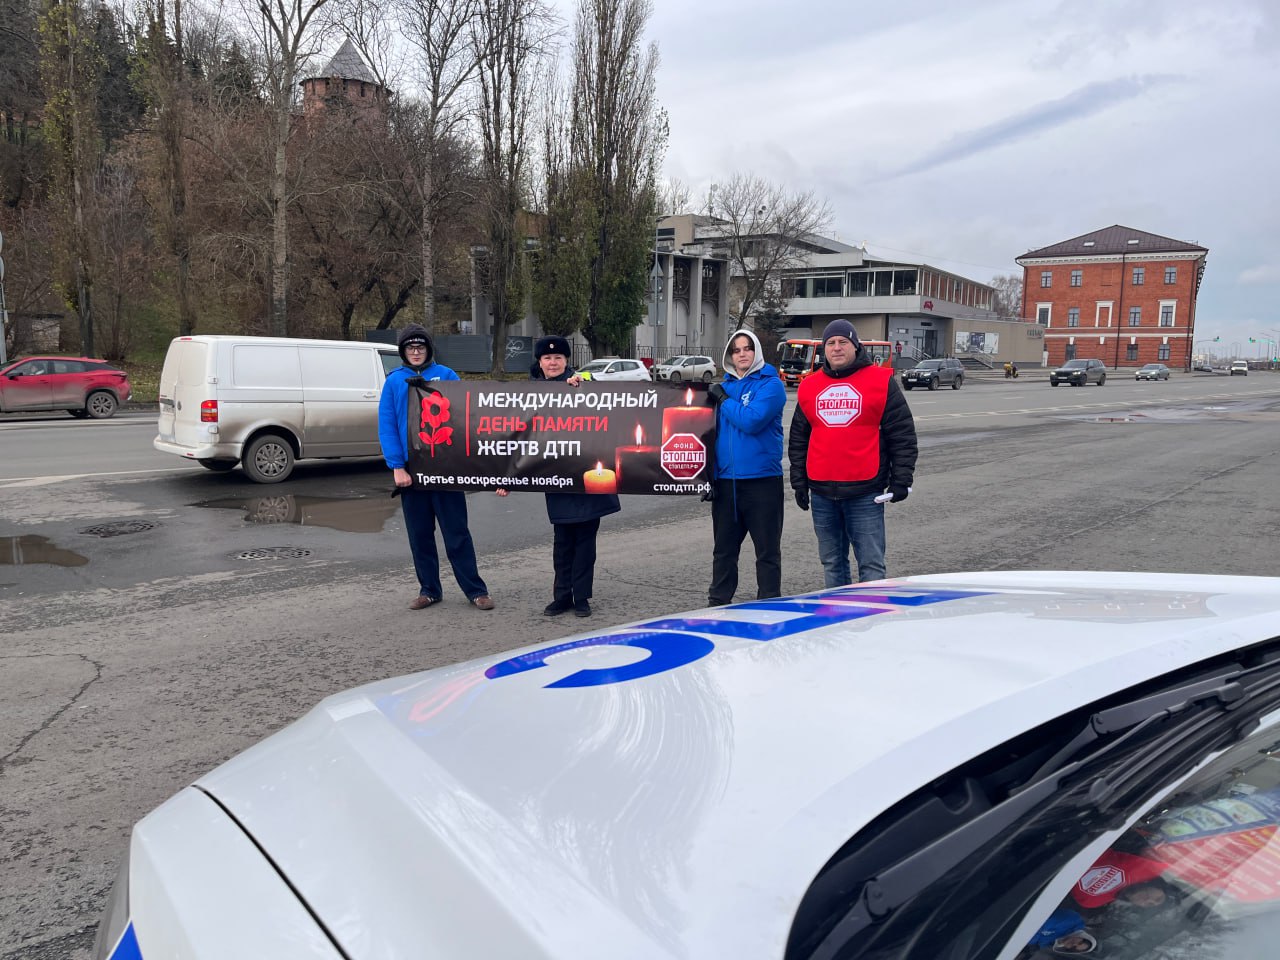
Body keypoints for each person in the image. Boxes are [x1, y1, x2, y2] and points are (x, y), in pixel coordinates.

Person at [788, 319, 918, 586]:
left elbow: (902, 434)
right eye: (831, 343)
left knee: (870, 564)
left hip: (865, 493)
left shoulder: (880, 381)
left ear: (855, 346)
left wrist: (901, 480)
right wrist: (799, 482)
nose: (836, 348)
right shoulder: (809, 386)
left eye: (843, 342)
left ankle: (872, 619)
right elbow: (799, 439)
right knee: (832, 563)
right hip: (822, 493)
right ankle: (839, 619)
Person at [499, 336, 619, 618]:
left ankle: (582, 597)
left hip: (587, 476)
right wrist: (506, 477)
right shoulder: (526, 393)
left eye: (559, 358)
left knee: (586, 543)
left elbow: (610, 402)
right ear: (539, 363)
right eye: (547, 358)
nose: (553, 363)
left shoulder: (581, 384)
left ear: (566, 361)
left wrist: (583, 384)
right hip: (555, 478)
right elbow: (517, 436)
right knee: (562, 541)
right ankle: (562, 595)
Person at [378, 323, 494, 611]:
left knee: (457, 533)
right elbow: (387, 425)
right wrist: (396, 466)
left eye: (420, 347)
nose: (415, 352)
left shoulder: (447, 375)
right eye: (410, 348)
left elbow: (464, 415)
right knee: (420, 536)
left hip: (445, 469)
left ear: (429, 349)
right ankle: (429, 590)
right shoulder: (394, 381)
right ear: (403, 352)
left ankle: (475, 590)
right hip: (411, 471)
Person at [705, 329, 786, 606]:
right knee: (724, 551)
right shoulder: (722, 386)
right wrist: (707, 477)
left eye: (747, 348)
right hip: (727, 483)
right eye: (736, 350)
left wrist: (724, 400)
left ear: (757, 352)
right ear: (730, 355)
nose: (742, 354)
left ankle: (769, 604)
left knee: (767, 551)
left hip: (763, 482)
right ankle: (718, 603)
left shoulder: (770, 385)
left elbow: (752, 421)